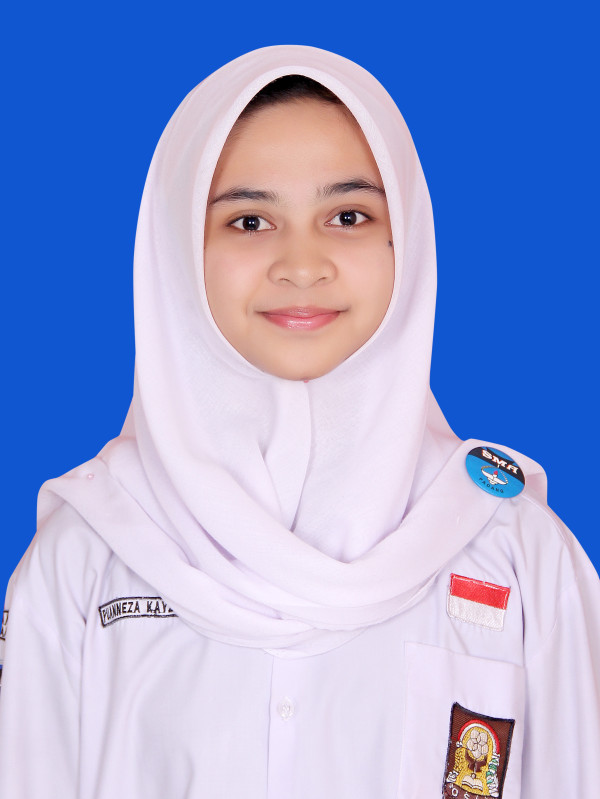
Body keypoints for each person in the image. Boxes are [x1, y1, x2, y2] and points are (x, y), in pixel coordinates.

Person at [0, 44, 598, 798]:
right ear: (179, 251)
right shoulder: (87, 557)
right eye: (250, 221)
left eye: (347, 216)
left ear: (406, 240)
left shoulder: (516, 554)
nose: (303, 263)